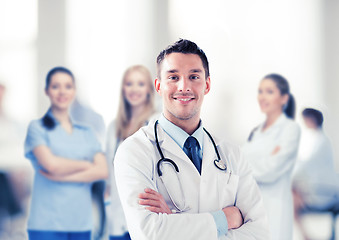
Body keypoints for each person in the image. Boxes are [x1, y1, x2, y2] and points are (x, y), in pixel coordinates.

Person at [114, 39, 269, 240]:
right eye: (173, 77)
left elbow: (260, 234)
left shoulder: (232, 155)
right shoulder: (134, 151)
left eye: (194, 76)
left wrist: (174, 223)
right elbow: (150, 233)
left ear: (207, 85)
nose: (184, 86)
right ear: (158, 86)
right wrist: (224, 219)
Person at [24, 67, 108, 240]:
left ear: (74, 91)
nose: (62, 91)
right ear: (47, 91)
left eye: (68, 86)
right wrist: (86, 165)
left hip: (81, 224)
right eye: (56, 86)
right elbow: (52, 165)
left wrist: (63, 176)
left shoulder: (87, 132)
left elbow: (102, 170)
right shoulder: (37, 128)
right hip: (47, 223)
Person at [242, 73, 301, 240]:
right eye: (260, 91)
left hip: (275, 206)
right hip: (251, 209)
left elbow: (271, 170)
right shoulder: (256, 131)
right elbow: (239, 161)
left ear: (284, 98)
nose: (262, 97)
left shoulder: (290, 129)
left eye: (269, 91)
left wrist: (244, 170)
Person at [106, 65, 156, 240]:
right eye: (129, 83)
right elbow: (108, 173)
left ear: (150, 89)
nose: (134, 89)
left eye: (140, 84)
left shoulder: (156, 123)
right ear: (123, 89)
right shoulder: (114, 127)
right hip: (118, 221)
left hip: (146, 218)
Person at [293, 108, 339, 239]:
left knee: (290, 198)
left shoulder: (319, 141)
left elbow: (305, 166)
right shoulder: (316, 139)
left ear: (311, 120)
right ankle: (306, 236)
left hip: (324, 193)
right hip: (320, 189)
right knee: (291, 196)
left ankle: (306, 236)